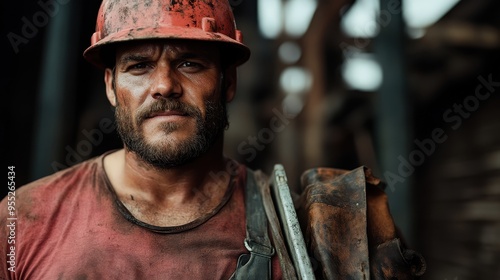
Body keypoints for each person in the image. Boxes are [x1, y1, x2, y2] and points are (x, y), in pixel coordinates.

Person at [1, 0, 426, 279]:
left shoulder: (313, 237)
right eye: (139, 66)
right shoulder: (23, 222)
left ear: (227, 84)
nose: (164, 85)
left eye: (189, 63)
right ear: (111, 87)